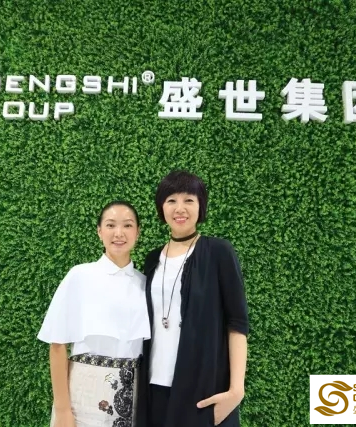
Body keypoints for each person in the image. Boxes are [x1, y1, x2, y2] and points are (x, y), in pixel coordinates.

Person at [135, 170, 250, 427]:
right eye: (171, 200)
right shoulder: (152, 259)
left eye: (189, 200)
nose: (180, 208)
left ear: (201, 206)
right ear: (161, 207)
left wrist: (236, 391)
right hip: (154, 389)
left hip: (201, 392)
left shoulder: (218, 252)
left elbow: (237, 323)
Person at [38, 201, 151, 427]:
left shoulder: (146, 283)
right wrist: (62, 409)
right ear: (99, 231)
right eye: (110, 225)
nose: (119, 233)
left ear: (137, 232)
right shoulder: (80, 276)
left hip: (134, 401)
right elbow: (57, 345)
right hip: (82, 401)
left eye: (127, 225)